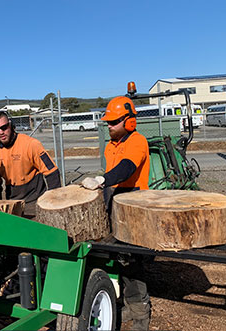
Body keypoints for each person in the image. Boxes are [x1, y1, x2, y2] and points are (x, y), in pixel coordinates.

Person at [85, 96, 151, 330]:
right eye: (108, 122)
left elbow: (126, 168)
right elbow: (114, 173)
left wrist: (102, 179)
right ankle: (127, 303)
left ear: (129, 121)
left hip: (134, 200)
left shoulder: (137, 141)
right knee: (115, 256)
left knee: (131, 258)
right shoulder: (110, 145)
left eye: (114, 122)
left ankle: (141, 312)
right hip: (115, 198)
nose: (109, 126)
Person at [0, 111, 61, 217]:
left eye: (4, 127)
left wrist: (54, 203)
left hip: (35, 199)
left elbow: (52, 172)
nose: (1, 132)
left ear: (11, 125)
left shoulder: (31, 144)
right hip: (12, 202)